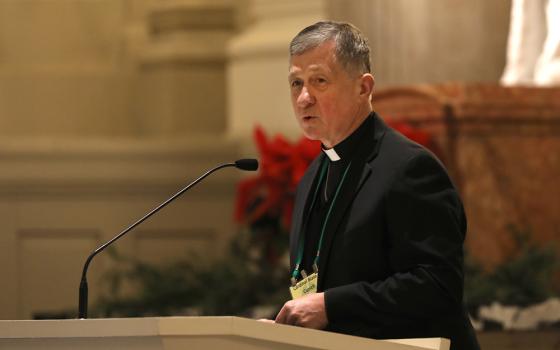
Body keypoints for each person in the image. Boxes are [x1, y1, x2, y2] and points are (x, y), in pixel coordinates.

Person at [272, 21, 480, 350]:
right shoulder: (313, 176)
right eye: (296, 83)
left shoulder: (409, 168)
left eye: (319, 81)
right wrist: (281, 326)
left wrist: (331, 306)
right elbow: (314, 286)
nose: (303, 98)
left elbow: (437, 285)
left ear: (363, 88)